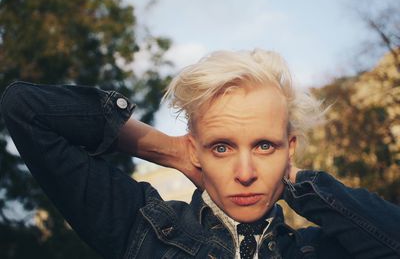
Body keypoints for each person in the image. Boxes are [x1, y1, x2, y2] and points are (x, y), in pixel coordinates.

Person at [1, 49, 399, 259]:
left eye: (265, 145)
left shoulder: (321, 249)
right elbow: (26, 108)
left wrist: (295, 182)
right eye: (221, 147)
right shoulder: (143, 230)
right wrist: (172, 151)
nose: (245, 172)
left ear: (289, 150)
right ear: (197, 151)